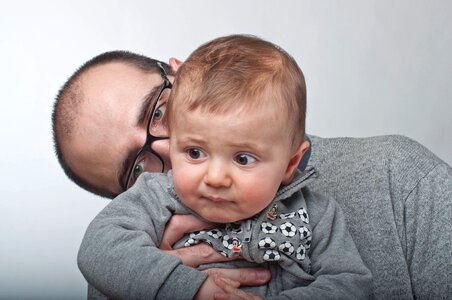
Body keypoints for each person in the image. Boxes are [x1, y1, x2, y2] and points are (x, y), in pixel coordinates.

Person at [52, 41, 452, 299]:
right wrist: (152, 280)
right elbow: (102, 247)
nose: (168, 146)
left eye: (158, 111)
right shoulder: (131, 244)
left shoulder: (400, 181)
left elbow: (348, 282)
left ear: (187, 73)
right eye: (138, 167)